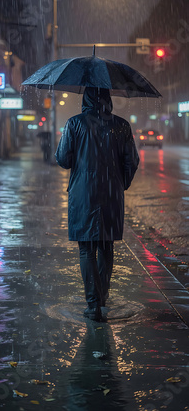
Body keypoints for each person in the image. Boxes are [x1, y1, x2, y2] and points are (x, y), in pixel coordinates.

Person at [55, 87, 139, 322]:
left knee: (86, 249)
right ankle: (102, 297)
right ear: (108, 99)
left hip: (83, 194)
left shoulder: (74, 123)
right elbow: (132, 160)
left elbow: (63, 159)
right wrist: (121, 184)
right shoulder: (122, 125)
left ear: (85, 98)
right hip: (111, 194)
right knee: (106, 246)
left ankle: (93, 305)